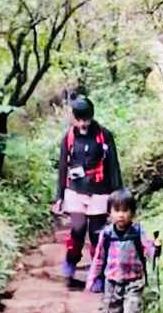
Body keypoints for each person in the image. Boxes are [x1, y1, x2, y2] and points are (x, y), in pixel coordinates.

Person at [51, 94, 123, 283]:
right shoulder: (69, 137)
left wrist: (118, 195)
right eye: (79, 119)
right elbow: (63, 167)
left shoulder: (104, 135)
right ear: (74, 118)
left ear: (92, 116)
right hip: (75, 190)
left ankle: (97, 273)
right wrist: (59, 196)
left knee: (97, 234)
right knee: (78, 229)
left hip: (100, 190)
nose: (83, 123)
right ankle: (71, 262)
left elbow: (113, 166)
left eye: (86, 119)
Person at [85, 188, 160, 313]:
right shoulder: (107, 234)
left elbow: (148, 250)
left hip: (134, 279)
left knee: (132, 309)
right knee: (114, 312)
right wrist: (92, 278)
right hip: (112, 280)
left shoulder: (137, 231)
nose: (121, 215)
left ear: (132, 213)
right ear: (109, 213)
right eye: (117, 210)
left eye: (125, 211)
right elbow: (99, 257)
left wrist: (156, 249)